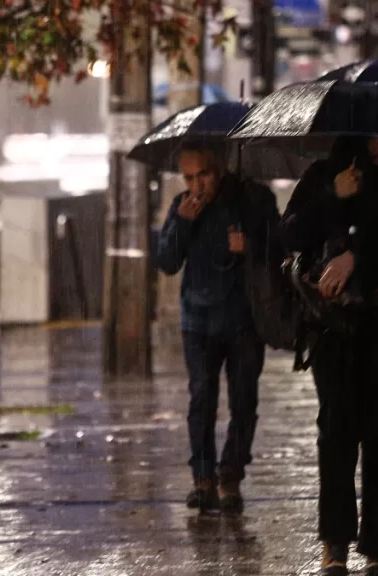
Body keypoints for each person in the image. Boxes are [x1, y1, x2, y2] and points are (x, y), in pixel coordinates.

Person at [280, 136, 378, 576]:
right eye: (373, 136)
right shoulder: (325, 175)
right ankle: (335, 541)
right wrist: (333, 196)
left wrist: (357, 259)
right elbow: (290, 233)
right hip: (333, 328)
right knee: (337, 432)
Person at [155, 144, 278, 513]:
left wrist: (251, 245)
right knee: (201, 398)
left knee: (243, 400)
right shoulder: (183, 206)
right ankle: (203, 478)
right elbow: (166, 261)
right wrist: (182, 222)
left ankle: (231, 473)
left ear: (220, 167)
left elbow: (283, 245)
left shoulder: (253, 198)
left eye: (203, 175)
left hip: (244, 318)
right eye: (189, 178)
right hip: (199, 320)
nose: (196, 186)